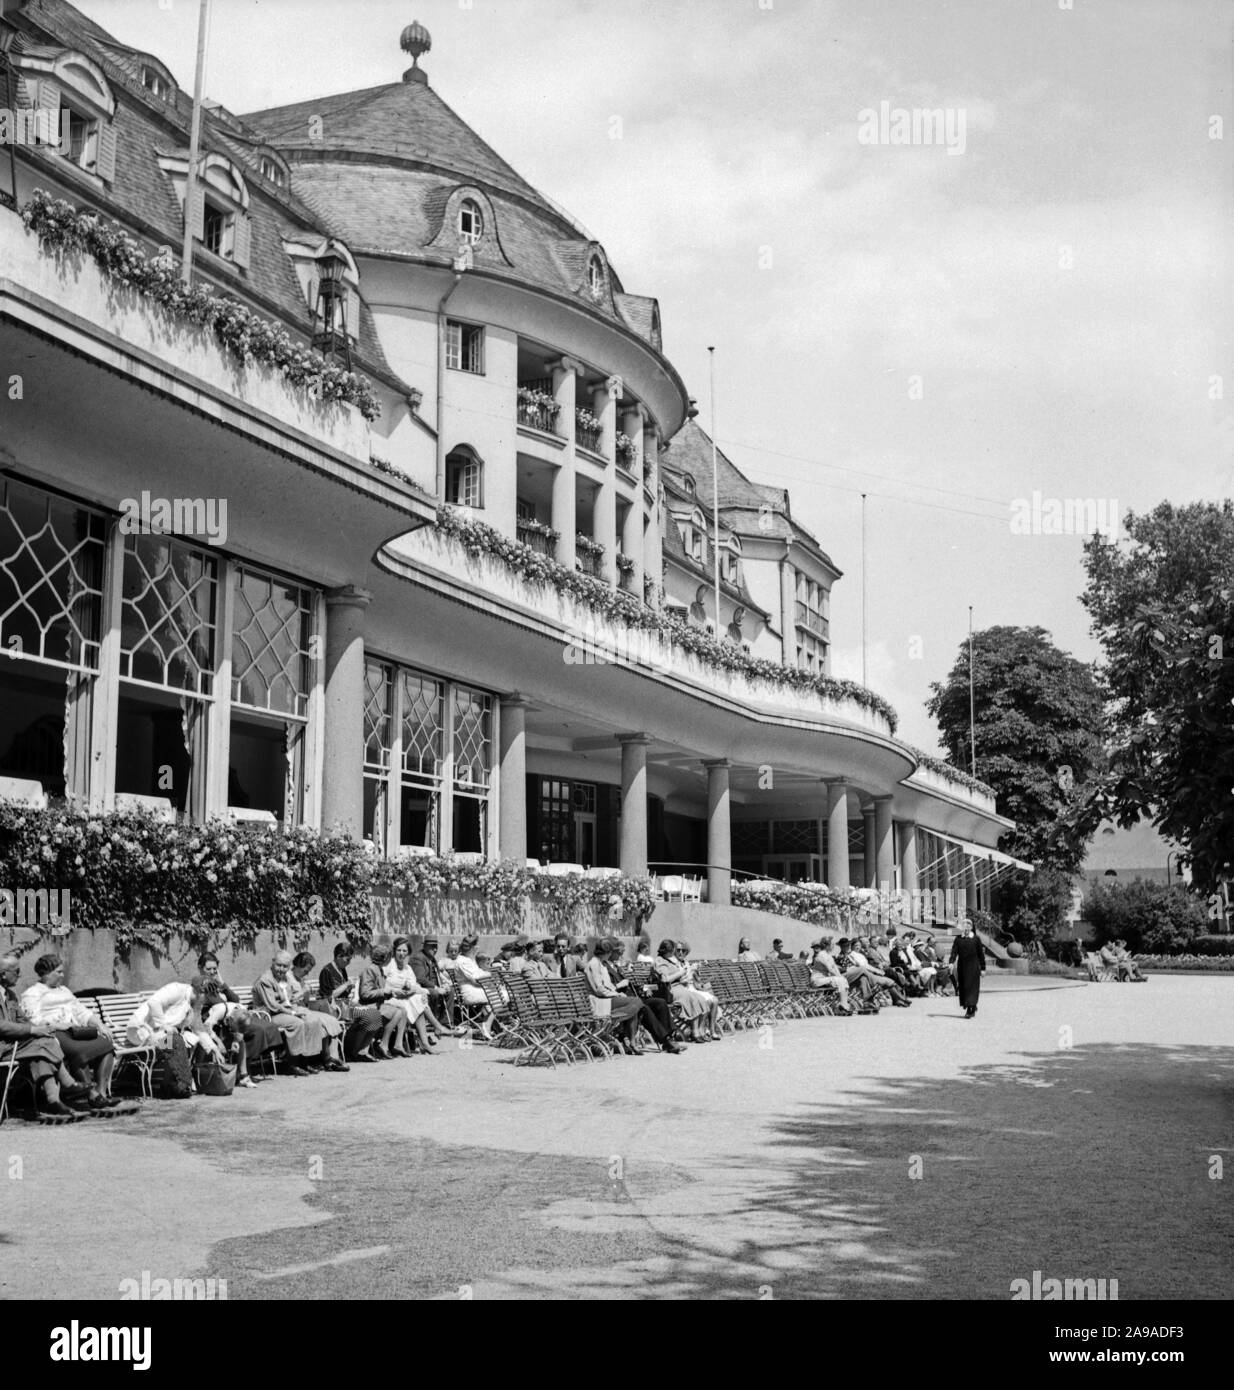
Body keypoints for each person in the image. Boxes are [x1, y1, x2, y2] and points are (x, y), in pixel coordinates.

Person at [1, 953, 96, 1117]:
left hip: (14, 1046)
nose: (20, 974)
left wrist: (40, 1027)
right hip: (3, 1048)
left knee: (42, 1046)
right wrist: (32, 1030)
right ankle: (68, 1083)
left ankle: (53, 1101)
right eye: (16, 971)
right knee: (43, 1042)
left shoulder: (10, 995)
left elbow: (22, 1020)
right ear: (3, 973)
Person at [20, 954, 118, 1106]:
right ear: (47, 973)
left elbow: (81, 1011)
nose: (62, 975)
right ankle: (92, 1096)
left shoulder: (64, 990)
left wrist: (100, 1024)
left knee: (106, 1044)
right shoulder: (32, 993)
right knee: (79, 1052)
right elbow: (34, 1020)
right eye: (58, 972)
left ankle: (101, 1093)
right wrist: (58, 1025)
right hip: (55, 1034)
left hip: (76, 1030)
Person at [252, 952, 348, 1072]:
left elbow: (290, 999)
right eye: (279, 965)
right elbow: (273, 1005)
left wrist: (295, 1006)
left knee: (313, 1021)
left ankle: (308, 1060)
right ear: (272, 962)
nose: (281, 969)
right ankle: (293, 1063)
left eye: (285, 966)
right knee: (299, 1023)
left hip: (284, 1011)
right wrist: (293, 1012)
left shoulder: (283, 978)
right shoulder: (266, 980)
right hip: (269, 1015)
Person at [197, 951, 283, 1085]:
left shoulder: (216, 984)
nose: (213, 972)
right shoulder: (202, 988)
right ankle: (243, 1071)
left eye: (215, 969)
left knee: (268, 1027)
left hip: (233, 1019)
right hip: (220, 1025)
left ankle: (243, 1070)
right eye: (208, 969)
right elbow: (208, 1012)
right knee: (257, 1031)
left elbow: (235, 999)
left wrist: (223, 984)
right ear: (200, 969)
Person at [603, 938, 684, 1054]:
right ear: (611, 952)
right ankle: (666, 1041)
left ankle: (670, 1037)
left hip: (635, 997)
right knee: (644, 1009)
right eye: (619, 952)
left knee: (660, 1002)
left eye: (622, 951)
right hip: (623, 1001)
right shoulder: (605, 967)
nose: (621, 954)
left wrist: (644, 989)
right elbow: (606, 988)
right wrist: (618, 985)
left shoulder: (616, 966)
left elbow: (633, 986)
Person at [318, 943, 383, 1062]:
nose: (349, 962)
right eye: (347, 959)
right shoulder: (326, 971)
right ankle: (353, 1051)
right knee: (368, 1015)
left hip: (346, 1004)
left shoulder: (342, 969)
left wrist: (348, 988)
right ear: (338, 956)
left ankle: (360, 1050)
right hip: (336, 1008)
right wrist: (346, 985)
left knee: (375, 1015)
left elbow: (343, 992)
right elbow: (328, 996)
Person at [288, 952, 350, 1070]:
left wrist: (307, 992)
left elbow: (305, 1000)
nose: (307, 973)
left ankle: (333, 1057)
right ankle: (326, 1059)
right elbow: (287, 1001)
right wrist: (303, 991)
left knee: (330, 1020)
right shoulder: (287, 978)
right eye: (306, 970)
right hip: (294, 1010)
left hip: (304, 1008)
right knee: (320, 1022)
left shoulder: (300, 978)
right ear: (297, 965)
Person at [584, 941, 646, 1054]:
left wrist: (616, 993)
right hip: (598, 1001)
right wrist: (616, 994)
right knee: (636, 1002)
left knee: (635, 1005)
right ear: (607, 952)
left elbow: (608, 986)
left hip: (606, 999)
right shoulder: (593, 964)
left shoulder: (601, 963)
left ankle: (632, 1042)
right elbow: (599, 990)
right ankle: (613, 1020)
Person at [384, 937, 443, 1054]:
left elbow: (415, 985)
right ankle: (436, 1028)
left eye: (404, 951)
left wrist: (423, 993)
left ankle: (426, 1042)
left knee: (418, 999)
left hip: (404, 999)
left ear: (408, 953)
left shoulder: (408, 968)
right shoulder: (388, 966)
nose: (401, 954)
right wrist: (397, 990)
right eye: (399, 950)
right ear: (394, 951)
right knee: (417, 1001)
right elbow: (383, 984)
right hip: (389, 998)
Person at [654, 939, 720, 1042]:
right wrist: (680, 973)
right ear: (667, 951)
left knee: (699, 999)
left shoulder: (668, 960)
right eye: (674, 950)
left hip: (679, 987)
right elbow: (665, 979)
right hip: (670, 990)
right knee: (691, 998)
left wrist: (687, 973)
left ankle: (699, 1030)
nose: (675, 953)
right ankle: (695, 1032)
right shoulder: (659, 960)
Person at [357, 945, 407, 1058]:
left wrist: (392, 992)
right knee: (397, 1012)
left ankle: (385, 1045)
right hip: (366, 1007)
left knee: (401, 1011)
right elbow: (365, 993)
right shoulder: (371, 970)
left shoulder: (379, 970)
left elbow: (380, 993)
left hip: (376, 1005)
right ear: (385, 958)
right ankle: (366, 1049)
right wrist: (384, 991)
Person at [407, 935, 459, 1031]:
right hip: (421, 988)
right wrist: (436, 988)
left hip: (433, 986)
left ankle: (446, 1022)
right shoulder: (417, 958)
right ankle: (433, 1023)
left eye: (436, 946)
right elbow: (420, 979)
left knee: (450, 991)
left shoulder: (432, 959)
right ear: (425, 946)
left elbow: (438, 974)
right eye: (432, 946)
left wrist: (444, 985)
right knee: (435, 993)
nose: (435, 949)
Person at [452, 935, 497, 1040]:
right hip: (470, 993)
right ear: (472, 947)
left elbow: (479, 974)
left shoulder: (469, 959)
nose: (478, 948)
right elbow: (476, 979)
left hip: (478, 990)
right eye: (476, 946)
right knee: (502, 995)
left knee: (503, 993)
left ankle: (489, 1024)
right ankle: (487, 1024)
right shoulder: (462, 961)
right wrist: (490, 975)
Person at [949, 922, 986, 1018]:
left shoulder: (976, 939)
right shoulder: (958, 939)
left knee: (972, 988)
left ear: (971, 927)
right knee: (964, 987)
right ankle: (971, 1005)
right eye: (964, 925)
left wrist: (983, 968)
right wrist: (951, 962)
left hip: (973, 967)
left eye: (969, 925)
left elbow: (981, 954)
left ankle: (970, 1009)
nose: (966, 927)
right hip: (962, 966)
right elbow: (954, 952)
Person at [808, 938, 852, 1012]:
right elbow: (830, 969)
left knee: (843, 980)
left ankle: (844, 1004)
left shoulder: (828, 955)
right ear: (827, 946)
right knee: (839, 980)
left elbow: (834, 967)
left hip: (824, 979)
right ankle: (843, 1005)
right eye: (832, 945)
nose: (833, 947)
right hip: (817, 980)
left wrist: (841, 977)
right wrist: (839, 977)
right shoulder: (821, 955)